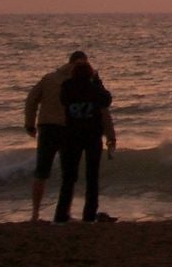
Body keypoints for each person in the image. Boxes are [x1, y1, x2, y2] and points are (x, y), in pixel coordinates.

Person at [24, 50, 90, 222]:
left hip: (47, 127)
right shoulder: (81, 81)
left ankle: (35, 213)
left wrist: (30, 124)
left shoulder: (49, 78)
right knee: (68, 174)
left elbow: (31, 100)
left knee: (41, 172)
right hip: (68, 129)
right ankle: (64, 213)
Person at [56, 59, 115, 223]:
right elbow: (107, 100)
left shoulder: (67, 87)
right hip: (92, 136)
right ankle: (89, 215)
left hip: (71, 136)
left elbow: (62, 100)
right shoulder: (94, 89)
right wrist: (98, 82)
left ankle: (61, 215)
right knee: (92, 177)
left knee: (68, 177)